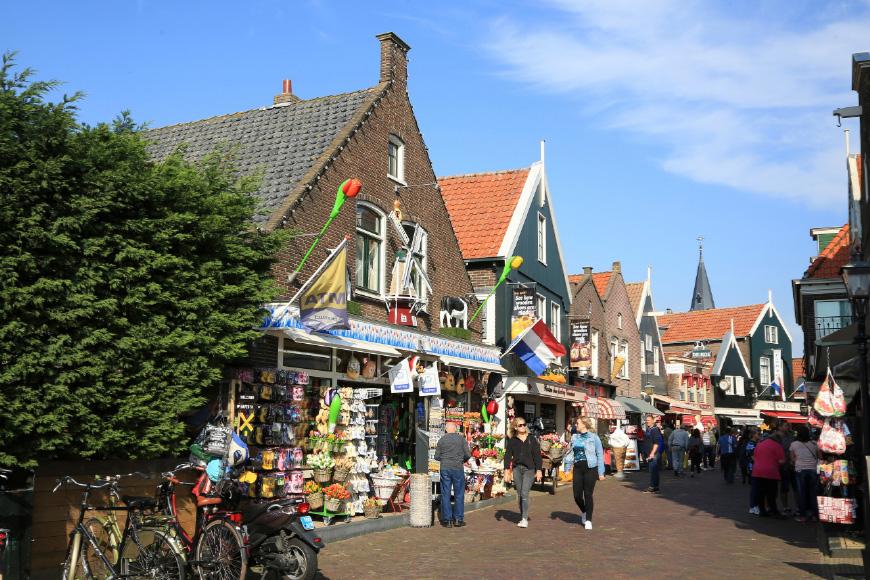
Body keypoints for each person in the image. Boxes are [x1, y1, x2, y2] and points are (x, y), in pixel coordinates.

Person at [564, 417, 606, 529]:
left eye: (577, 423)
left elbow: (599, 455)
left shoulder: (594, 437)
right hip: (578, 468)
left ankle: (588, 520)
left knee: (588, 494)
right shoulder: (574, 437)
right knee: (577, 496)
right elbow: (570, 453)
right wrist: (567, 468)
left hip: (590, 468)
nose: (575, 425)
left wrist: (601, 472)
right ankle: (584, 511)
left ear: (584, 424)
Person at [504, 417, 542, 528]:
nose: (523, 426)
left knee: (525, 493)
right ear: (515, 427)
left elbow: (537, 455)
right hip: (517, 469)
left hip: (529, 469)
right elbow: (507, 455)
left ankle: (524, 519)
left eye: (524, 424)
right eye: (520, 425)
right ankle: (522, 516)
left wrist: (539, 470)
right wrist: (507, 470)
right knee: (520, 494)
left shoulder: (532, 439)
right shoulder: (512, 440)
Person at [434, 421, 471, 527]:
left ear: (446, 430)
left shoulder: (442, 440)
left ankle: (447, 520)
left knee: (445, 493)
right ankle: (458, 519)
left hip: (445, 468)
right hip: (458, 468)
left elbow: (436, 457)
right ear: (455, 429)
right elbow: (468, 454)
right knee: (459, 494)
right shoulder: (461, 439)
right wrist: (461, 460)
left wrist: (445, 459)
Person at [752, 431, 786, 517]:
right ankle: (774, 511)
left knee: (761, 492)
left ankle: (762, 511)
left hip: (757, 471)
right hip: (771, 471)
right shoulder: (777, 446)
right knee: (771, 493)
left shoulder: (759, 444)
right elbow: (782, 461)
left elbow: (754, 457)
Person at [789, 425, 819, 522]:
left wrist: (798, 461)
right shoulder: (814, 443)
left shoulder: (794, 444)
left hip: (800, 470)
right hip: (813, 470)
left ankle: (803, 516)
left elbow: (792, 459)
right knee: (813, 493)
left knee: (801, 493)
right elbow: (819, 456)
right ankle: (814, 515)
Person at [777, 421, 796, 515]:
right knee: (784, 487)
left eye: (788, 426)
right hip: (783, 466)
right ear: (780, 427)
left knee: (796, 487)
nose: (788, 427)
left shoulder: (792, 436)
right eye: (786, 426)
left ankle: (798, 507)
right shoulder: (776, 438)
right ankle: (785, 507)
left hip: (792, 465)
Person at [642, 415, 663, 493]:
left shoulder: (654, 430)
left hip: (654, 454)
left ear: (653, 420)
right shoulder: (649, 429)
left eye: (648, 420)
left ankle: (652, 487)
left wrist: (652, 453)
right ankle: (656, 487)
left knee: (653, 470)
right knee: (654, 471)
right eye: (646, 420)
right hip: (650, 453)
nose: (647, 421)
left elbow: (656, 443)